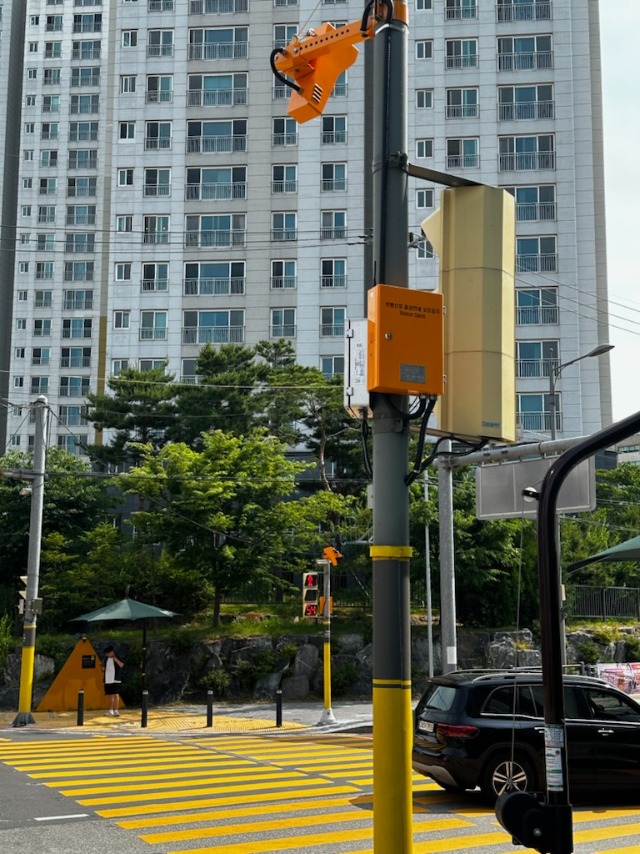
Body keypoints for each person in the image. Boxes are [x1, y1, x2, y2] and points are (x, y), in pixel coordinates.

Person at [103, 645, 124, 716]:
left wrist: (116, 660)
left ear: (111, 652)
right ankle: (110, 710)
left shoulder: (117, 657)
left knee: (115, 694)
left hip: (115, 679)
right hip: (108, 679)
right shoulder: (106, 659)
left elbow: (122, 665)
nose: (107, 655)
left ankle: (116, 710)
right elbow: (104, 667)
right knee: (109, 695)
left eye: (107, 653)